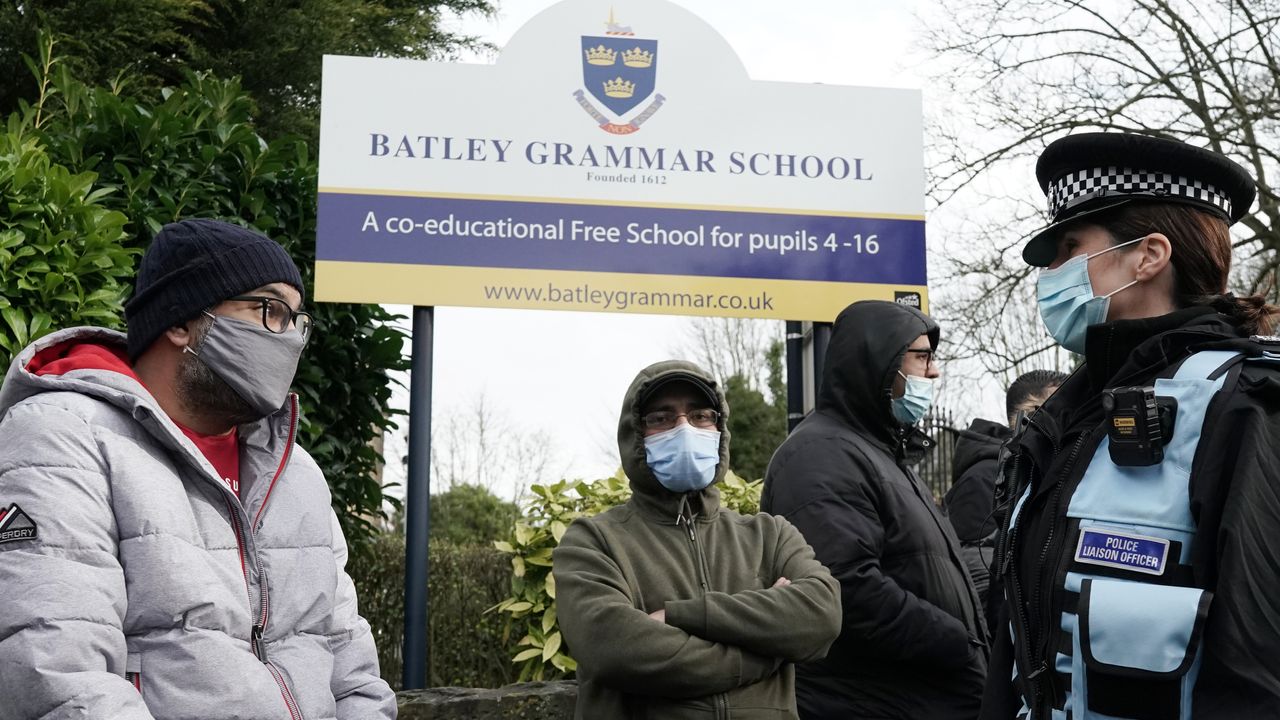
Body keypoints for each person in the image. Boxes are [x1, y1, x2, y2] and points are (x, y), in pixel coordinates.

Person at [0, 219, 395, 719]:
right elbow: (57, 674)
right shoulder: (61, 435)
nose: (290, 338)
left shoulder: (296, 473)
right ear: (180, 320)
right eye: (269, 310)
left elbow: (353, 672)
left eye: (297, 319)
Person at [982, 132, 1280, 720]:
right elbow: (1013, 649)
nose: (1051, 273)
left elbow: (1259, 673)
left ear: (1148, 255)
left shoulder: (1244, 407)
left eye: (1070, 247)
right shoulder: (1062, 419)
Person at [553, 360, 842, 720]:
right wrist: (768, 649)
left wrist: (681, 615)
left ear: (720, 429)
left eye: (701, 415)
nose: (684, 429)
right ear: (635, 436)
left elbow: (821, 615)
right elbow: (615, 649)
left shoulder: (769, 534)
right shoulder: (594, 540)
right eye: (661, 418)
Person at [762, 300, 988, 720]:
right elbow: (846, 588)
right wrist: (958, 641)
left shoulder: (882, 454)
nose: (934, 371)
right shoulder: (821, 455)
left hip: (918, 696)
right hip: (870, 701)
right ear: (879, 362)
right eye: (921, 356)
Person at [944, 370, 1066, 635]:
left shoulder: (1039, 471)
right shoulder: (984, 477)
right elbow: (971, 572)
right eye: (1062, 407)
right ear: (1028, 413)